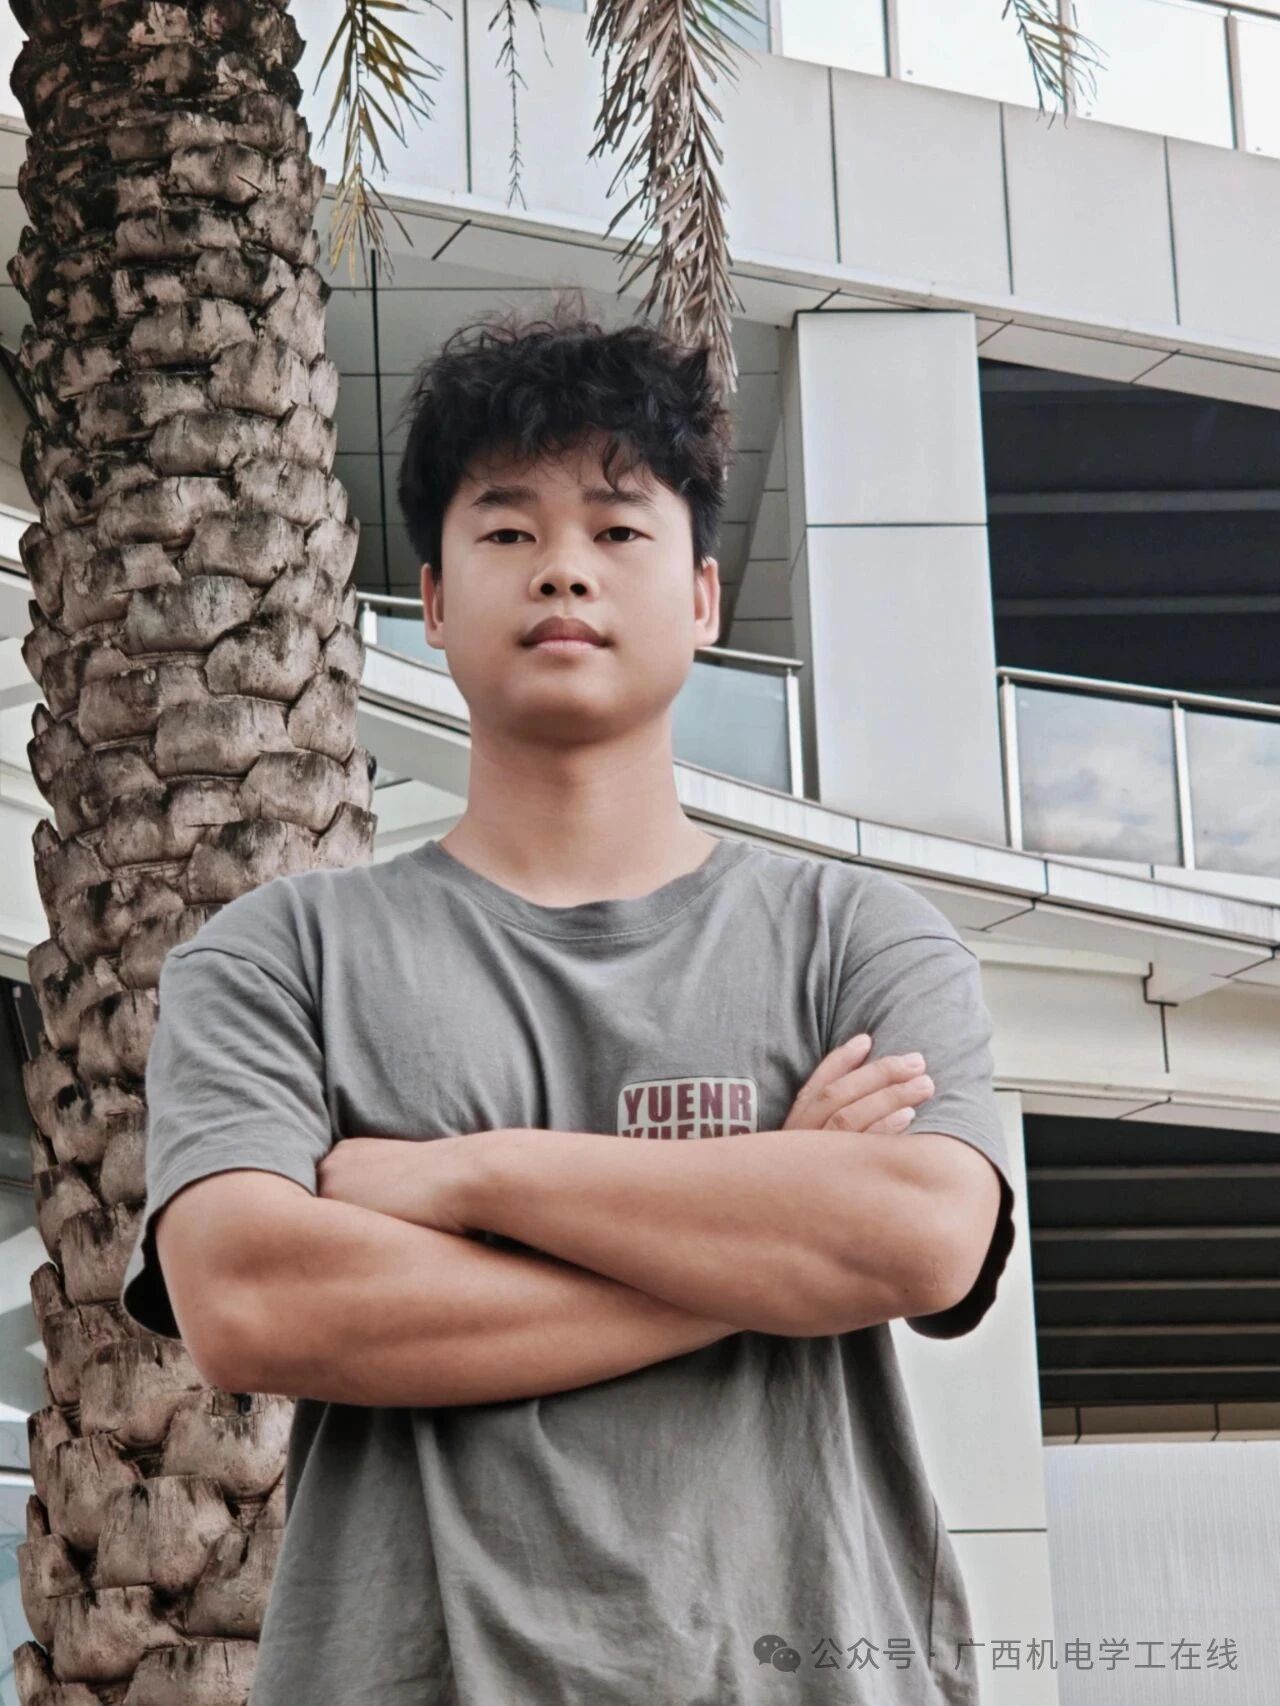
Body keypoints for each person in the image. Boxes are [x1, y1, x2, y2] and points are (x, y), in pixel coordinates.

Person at [120, 296, 1016, 1705]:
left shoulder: (860, 938)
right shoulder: (277, 957)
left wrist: (464, 1176)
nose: (563, 569)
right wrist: (765, 1238)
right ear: (431, 602)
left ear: (703, 596)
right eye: (506, 530)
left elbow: (922, 1237)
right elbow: (248, 1297)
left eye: (617, 528)